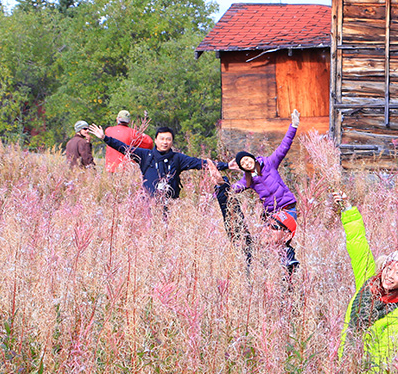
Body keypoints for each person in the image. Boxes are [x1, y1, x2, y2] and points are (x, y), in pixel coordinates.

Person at [336, 192, 398, 374]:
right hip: (343, 366)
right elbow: (358, 243)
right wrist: (347, 208)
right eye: (389, 268)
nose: (390, 275)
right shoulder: (368, 280)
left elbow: (383, 358)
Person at [222, 110, 301, 270]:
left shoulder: (269, 164)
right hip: (271, 213)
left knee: (278, 233)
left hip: (287, 208)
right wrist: (223, 175)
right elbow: (232, 190)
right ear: (242, 167)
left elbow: (283, 147)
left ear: (252, 158)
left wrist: (294, 126)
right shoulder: (248, 180)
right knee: (267, 240)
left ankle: (288, 259)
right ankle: (284, 266)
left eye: (247, 159)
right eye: (243, 163)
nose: (246, 163)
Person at [87, 124, 216, 199]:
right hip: (149, 202)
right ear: (155, 140)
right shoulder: (145, 154)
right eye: (162, 139)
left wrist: (226, 165)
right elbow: (124, 148)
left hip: (170, 203)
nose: (165, 142)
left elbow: (200, 163)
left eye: (168, 139)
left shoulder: (178, 158)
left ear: (172, 141)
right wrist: (105, 138)